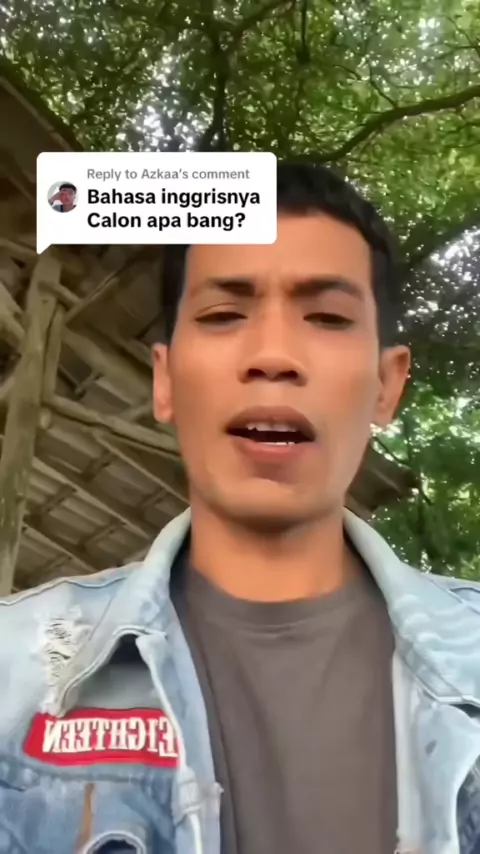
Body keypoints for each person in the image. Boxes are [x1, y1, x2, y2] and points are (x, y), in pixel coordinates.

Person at [1, 162, 479, 854]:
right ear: (165, 380)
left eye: (327, 317)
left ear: (386, 384)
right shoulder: (14, 670)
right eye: (224, 315)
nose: (273, 356)